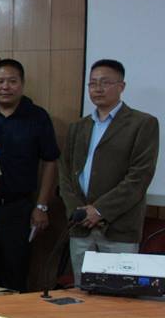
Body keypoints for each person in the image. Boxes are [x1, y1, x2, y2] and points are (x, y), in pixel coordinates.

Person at [59, 59, 159, 286]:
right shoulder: (79, 127)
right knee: (82, 292)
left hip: (119, 228)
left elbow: (139, 176)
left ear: (121, 86)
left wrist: (100, 210)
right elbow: (65, 174)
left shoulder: (143, 123)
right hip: (81, 227)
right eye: (92, 83)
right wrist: (79, 211)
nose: (97, 89)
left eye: (105, 82)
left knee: (118, 297)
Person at [0, 58, 59, 291]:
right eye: (0, 81)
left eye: (12, 81)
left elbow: (49, 162)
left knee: (15, 270)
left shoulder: (37, 116)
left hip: (18, 208)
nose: (5, 87)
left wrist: (42, 206)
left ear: (22, 84)